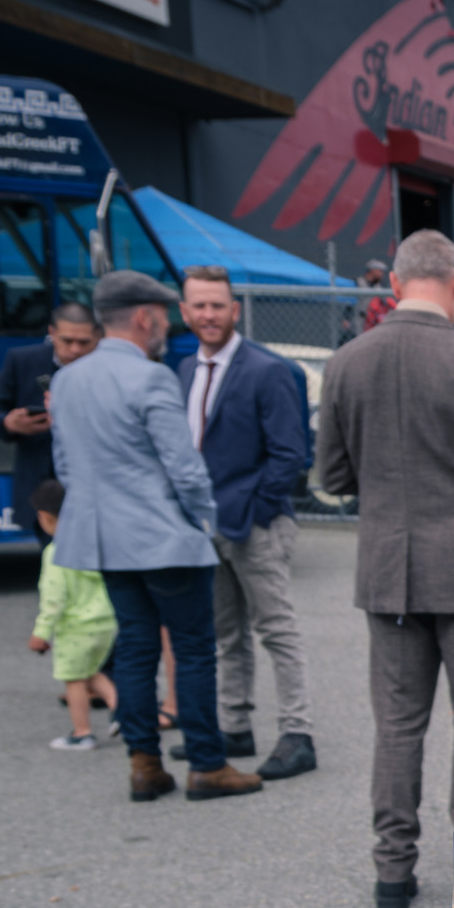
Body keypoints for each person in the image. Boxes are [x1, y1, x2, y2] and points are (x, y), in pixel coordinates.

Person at [317, 230, 454, 908]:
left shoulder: (347, 363)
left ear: (393, 284)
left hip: (389, 567)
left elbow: (332, 476)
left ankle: (393, 869)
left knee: (397, 724)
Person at [48, 270, 262, 802]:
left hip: (105, 540)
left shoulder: (67, 379)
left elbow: (66, 466)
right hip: (163, 538)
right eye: (164, 315)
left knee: (135, 648)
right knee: (193, 650)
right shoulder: (152, 378)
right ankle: (207, 764)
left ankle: (143, 764)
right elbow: (184, 468)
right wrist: (204, 521)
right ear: (144, 317)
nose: (167, 325)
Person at [177, 265, 318, 779]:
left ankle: (298, 733)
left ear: (234, 310)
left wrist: (256, 509)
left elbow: (290, 454)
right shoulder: (186, 369)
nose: (208, 314)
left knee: (277, 630)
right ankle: (234, 725)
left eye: (217, 305)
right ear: (184, 311)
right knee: (226, 634)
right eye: (199, 305)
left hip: (256, 524)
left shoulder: (266, 369)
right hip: (205, 526)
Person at [0, 305, 100, 541]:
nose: (75, 349)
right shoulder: (23, 360)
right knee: (52, 557)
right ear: (52, 333)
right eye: (67, 341)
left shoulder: (110, 367)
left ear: (98, 337)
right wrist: (9, 423)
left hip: (95, 486)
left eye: (84, 342)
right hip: (43, 485)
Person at [26, 478, 119, 750]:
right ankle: (121, 709)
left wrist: (41, 632)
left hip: (76, 628)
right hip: (105, 623)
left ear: (45, 517)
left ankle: (82, 733)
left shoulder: (56, 553)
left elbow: (54, 598)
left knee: (74, 679)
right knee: (91, 672)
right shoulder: (95, 545)